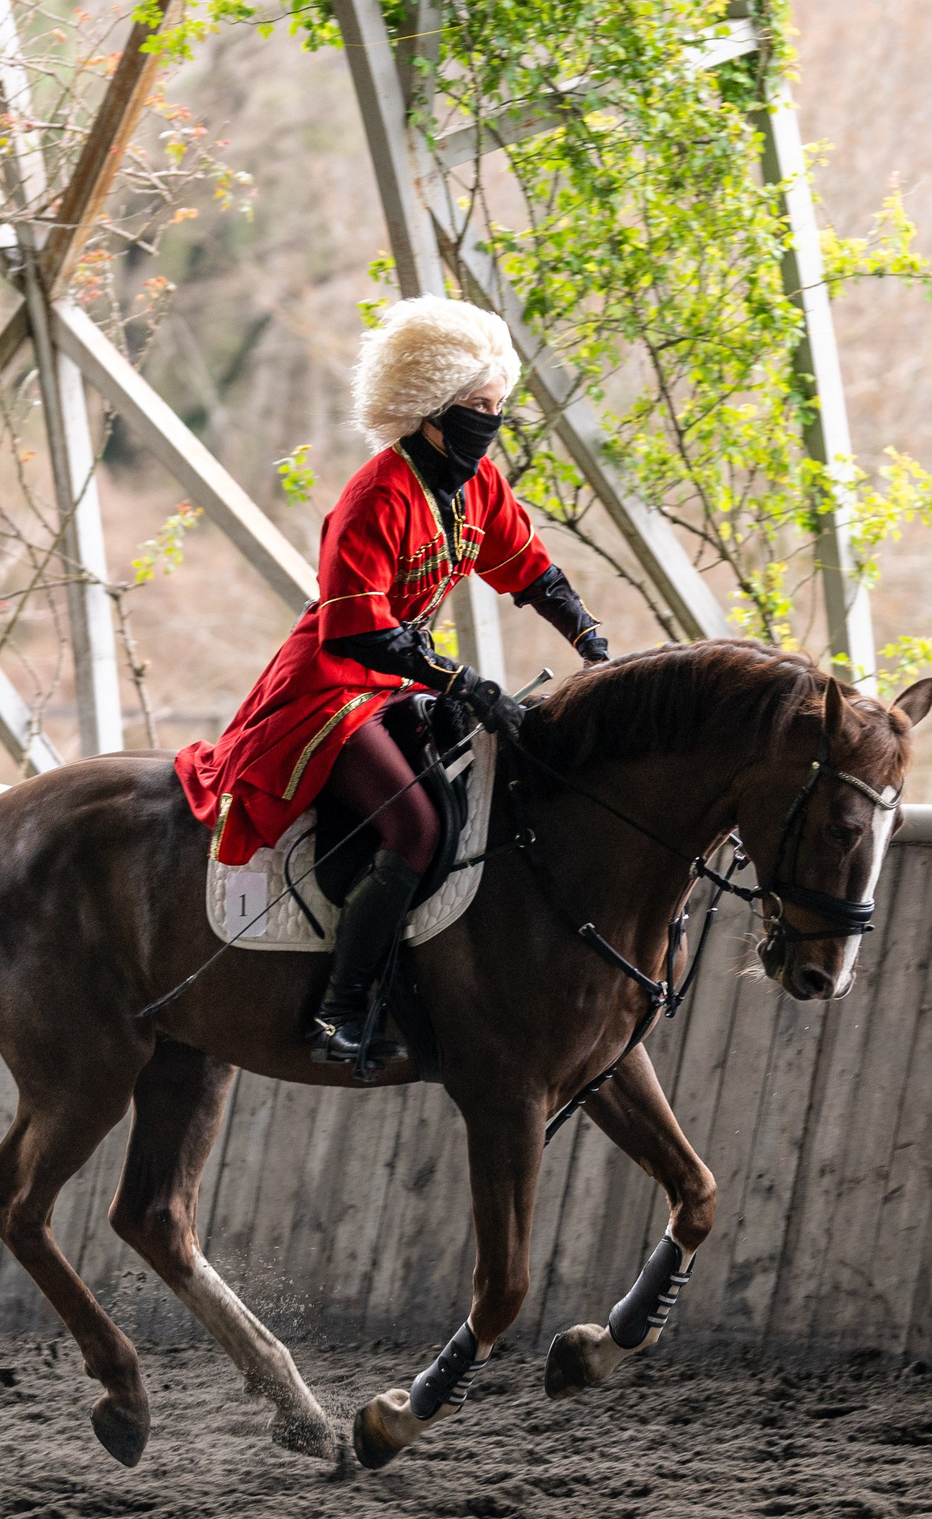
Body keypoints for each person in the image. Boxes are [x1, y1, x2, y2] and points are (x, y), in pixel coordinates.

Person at [173, 297, 609, 1068]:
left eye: (497, 405)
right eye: (478, 406)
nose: (491, 420)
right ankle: (339, 1012)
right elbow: (358, 630)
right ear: (430, 406)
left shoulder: (477, 486)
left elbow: (531, 569)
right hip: (330, 688)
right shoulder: (376, 496)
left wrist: (590, 639)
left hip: (396, 681)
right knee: (416, 828)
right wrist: (463, 680)